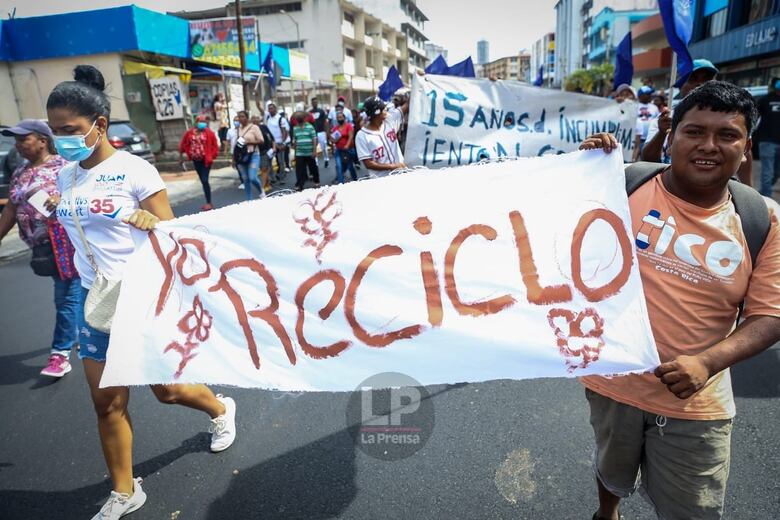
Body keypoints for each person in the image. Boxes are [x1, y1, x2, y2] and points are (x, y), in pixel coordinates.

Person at [578, 81, 780, 520]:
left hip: (697, 403)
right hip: (612, 382)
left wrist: (706, 363)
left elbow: (769, 315)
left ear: (747, 148)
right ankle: (606, 513)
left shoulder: (763, 220)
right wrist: (585, 167)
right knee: (611, 467)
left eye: (727, 135)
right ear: (671, 138)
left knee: (693, 510)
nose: (708, 145)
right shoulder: (622, 186)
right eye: (694, 131)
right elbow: (552, 233)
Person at [46, 65, 237, 520]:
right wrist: (56, 208)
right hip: (96, 303)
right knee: (106, 402)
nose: (61, 139)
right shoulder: (65, 177)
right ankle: (125, 489)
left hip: (142, 300)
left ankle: (220, 408)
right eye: (55, 130)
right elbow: (81, 227)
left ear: (100, 126)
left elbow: (176, 234)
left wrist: (154, 225)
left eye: (69, 130)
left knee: (167, 392)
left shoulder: (135, 171)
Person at [0, 119, 80, 377]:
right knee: (72, 296)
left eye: (25, 139)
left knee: (65, 297)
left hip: (68, 244)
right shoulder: (20, 173)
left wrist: (64, 199)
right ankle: (85, 330)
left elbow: (87, 198)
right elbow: (11, 208)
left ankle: (60, 353)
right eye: (17, 140)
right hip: (43, 249)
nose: (18, 144)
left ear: (43, 141)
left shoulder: (66, 168)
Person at [642, 59, 719, 164]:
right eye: (693, 79)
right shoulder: (666, 119)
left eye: (706, 80)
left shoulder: (728, 119)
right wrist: (661, 133)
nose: (700, 84)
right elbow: (647, 159)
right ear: (681, 83)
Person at [355, 96, 406, 176]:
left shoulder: (390, 120)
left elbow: (407, 106)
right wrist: (393, 166)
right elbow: (368, 164)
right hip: (381, 180)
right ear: (377, 113)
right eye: (384, 109)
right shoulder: (362, 136)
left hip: (401, 173)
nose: (387, 111)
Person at [178, 115, 219, 211]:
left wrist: (212, 156)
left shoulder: (209, 133)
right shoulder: (189, 133)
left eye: (204, 121)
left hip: (206, 161)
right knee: (202, 181)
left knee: (205, 180)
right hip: (196, 160)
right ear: (196, 122)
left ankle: (209, 203)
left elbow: (215, 146)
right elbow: (183, 145)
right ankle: (208, 201)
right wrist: (181, 157)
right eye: (201, 121)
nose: (203, 123)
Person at [754, 77, 780, 197]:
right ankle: (766, 198)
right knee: (767, 172)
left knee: (776, 172)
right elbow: (754, 115)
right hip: (767, 140)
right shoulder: (765, 99)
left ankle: (764, 191)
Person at [233, 110, 265, 200]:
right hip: (241, 156)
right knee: (245, 179)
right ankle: (249, 199)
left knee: (252, 177)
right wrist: (234, 158)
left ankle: (261, 191)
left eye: (243, 116)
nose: (240, 118)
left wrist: (248, 142)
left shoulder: (254, 127)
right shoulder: (238, 129)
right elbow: (236, 144)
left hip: (253, 155)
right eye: (239, 117)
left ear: (247, 117)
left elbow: (261, 140)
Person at [291, 110, 320, 191]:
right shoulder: (295, 128)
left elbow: (314, 139)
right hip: (299, 152)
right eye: (297, 118)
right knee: (299, 169)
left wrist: (314, 151)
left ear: (304, 118)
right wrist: (295, 151)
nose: (298, 119)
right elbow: (295, 139)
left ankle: (316, 181)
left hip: (309, 151)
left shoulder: (310, 127)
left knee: (313, 167)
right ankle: (300, 184)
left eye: (300, 117)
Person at [631, 85, 660, 162]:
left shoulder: (654, 107)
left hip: (649, 140)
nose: (650, 96)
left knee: (646, 163)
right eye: (647, 94)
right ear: (640, 95)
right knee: (633, 162)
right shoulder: (633, 105)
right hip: (636, 140)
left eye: (650, 94)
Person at [250, 114, 275, 192]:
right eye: (253, 118)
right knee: (262, 168)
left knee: (264, 168)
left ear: (259, 119)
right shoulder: (249, 129)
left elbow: (272, 137)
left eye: (257, 118)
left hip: (265, 151)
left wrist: (274, 148)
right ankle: (267, 183)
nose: (255, 120)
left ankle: (263, 186)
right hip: (255, 152)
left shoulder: (263, 127)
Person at [331, 110, 357, 183]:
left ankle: (355, 180)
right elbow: (332, 139)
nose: (339, 119)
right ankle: (341, 184)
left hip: (348, 150)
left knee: (350, 167)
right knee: (339, 166)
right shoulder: (335, 128)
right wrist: (335, 140)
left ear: (344, 118)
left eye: (341, 117)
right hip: (339, 150)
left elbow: (351, 136)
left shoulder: (349, 126)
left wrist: (347, 145)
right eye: (338, 118)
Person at [265, 103, 290, 182]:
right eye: (269, 109)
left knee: (280, 162)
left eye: (272, 108)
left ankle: (281, 177)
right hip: (270, 144)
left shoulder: (280, 119)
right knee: (268, 161)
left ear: (275, 109)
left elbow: (284, 131)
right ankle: (272, 178)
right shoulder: (268, 118)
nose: (270, 110)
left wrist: (283, 143)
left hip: (279, 143)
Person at [309, 97, 330, 168]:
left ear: (317, 103)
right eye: (313, 102)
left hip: (321, 132)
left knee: (323, 147)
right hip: (313, 133)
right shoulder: (310, 112)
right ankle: (316, 163)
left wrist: (327, 131)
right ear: (311, 103)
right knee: (313, 147)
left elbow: (325, 121)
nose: (314, 103)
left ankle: (326, 159)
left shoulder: (321, 111)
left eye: (316, 102)